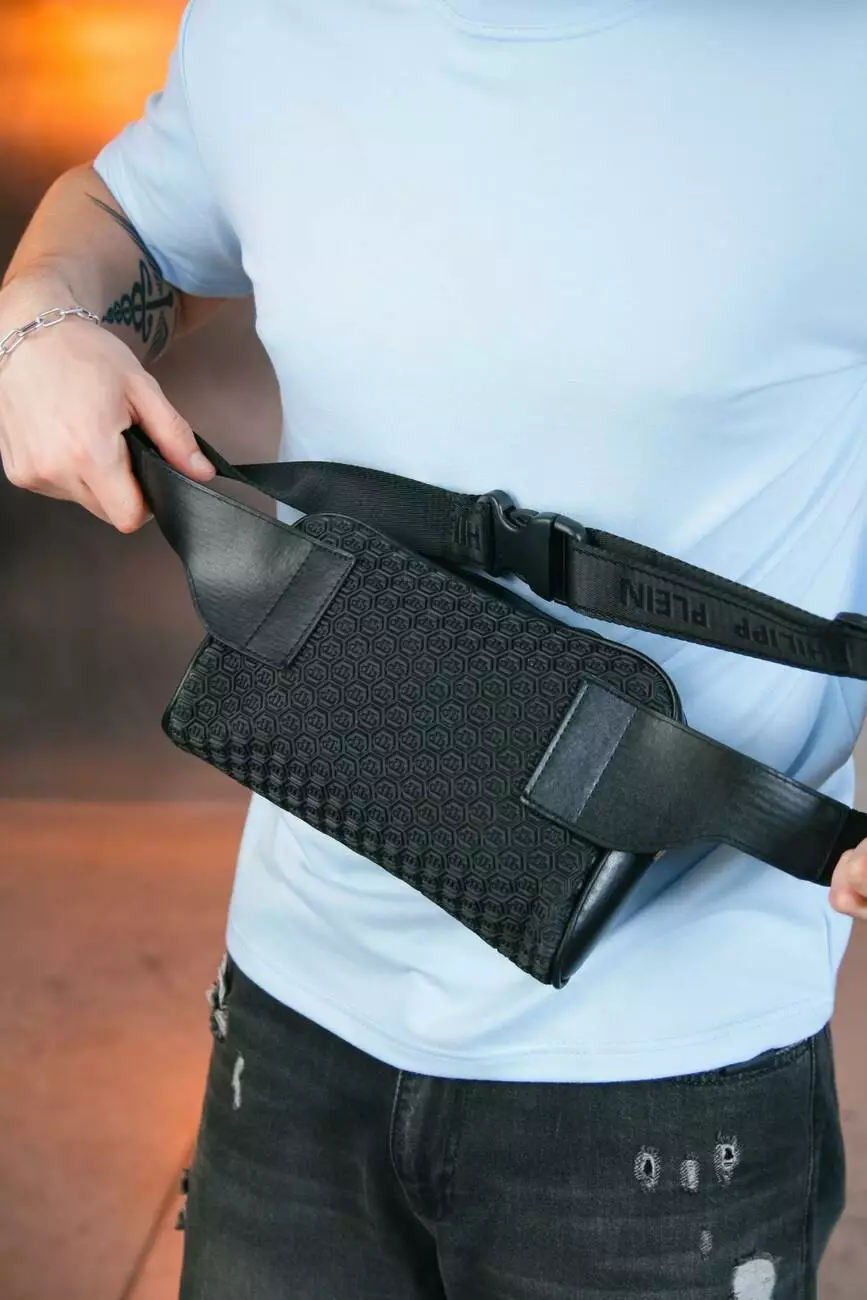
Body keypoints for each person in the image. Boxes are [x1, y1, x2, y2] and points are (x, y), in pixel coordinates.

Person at [2, 2, 867, 1295]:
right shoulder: (271, 23)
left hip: (671, 1080)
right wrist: (39, 315)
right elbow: (126, 214)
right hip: (295, 1009)